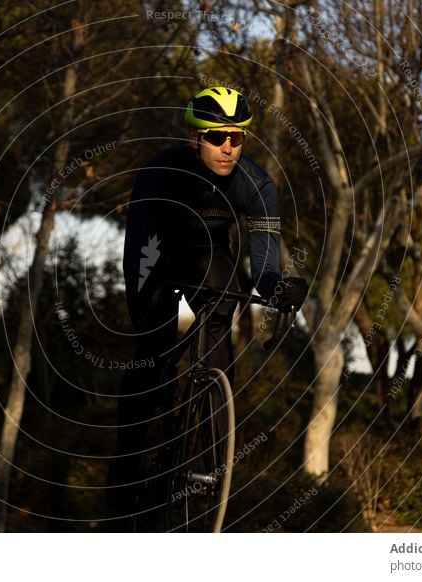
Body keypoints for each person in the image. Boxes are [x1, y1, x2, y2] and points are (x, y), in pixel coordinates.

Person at [106, 86, 308, 514]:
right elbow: (138, 252)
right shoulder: (159, 175)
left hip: (210, 263)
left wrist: (278, 289)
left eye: (237, 138)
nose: (228, 148)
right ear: (196, 138)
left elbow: (263, 266)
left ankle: (206, 465)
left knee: (221, 318)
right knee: (153, 356)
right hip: (158, 258)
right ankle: (124, 480)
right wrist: (145, 310)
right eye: (218, 137)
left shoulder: (257, 184)